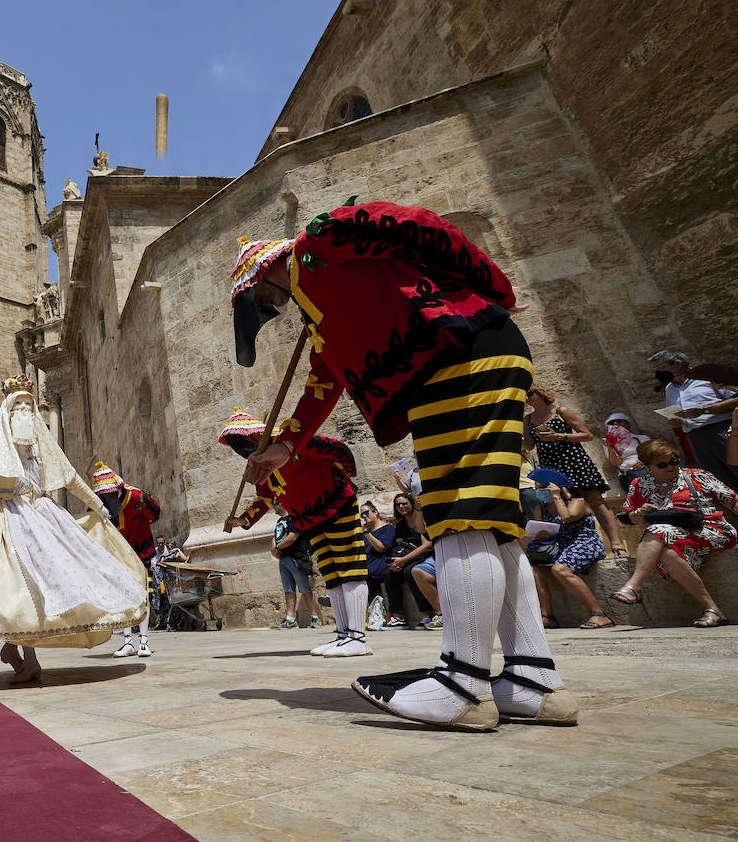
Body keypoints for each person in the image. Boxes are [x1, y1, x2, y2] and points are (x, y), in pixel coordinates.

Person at [230, 200, 576, 730]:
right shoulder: (319, 313)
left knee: (461, 516)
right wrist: (287, 445)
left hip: (457, 357)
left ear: (259, 280)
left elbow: (419, 227)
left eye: (262, 303)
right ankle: (532, 679)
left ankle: (461, 684)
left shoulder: (320, 242)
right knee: (495, 523)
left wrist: (492, 291)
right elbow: (326, 380)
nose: (271, 311)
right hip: (452, 368)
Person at [0, 376, 148, 682]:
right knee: (13, 587)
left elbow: (70, 477)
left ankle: (23, 656)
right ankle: (18, 652)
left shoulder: (42, 447)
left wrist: (97, 505)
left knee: (41, 586)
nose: (25, 412)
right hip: (5, 515)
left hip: (42, 514)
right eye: (18, 406)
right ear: (8, 411)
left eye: (28, 406)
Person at [220, 408, 370, 656]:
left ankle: (358, 636)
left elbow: (336, 449)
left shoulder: (289, 443)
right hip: (308, 518)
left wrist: (345, 475)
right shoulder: (258, 463)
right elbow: (266, 499)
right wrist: (242, 521)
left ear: (255, 436)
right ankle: (344, 633)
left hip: (335, 503)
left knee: (348, 565)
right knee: (331, 570)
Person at [610, 439, 737, 626]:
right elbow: (627, 520)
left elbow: (733, 500)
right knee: (668, 554)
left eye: (674, 461)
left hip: (710, 529)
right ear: (647, 466)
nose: (671, 466)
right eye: (662, 464)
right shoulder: (639, 484)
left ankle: (633, 585)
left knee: (658, 530)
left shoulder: (696, 475)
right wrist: (638, 514)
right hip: (672, 537)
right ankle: (712, 609)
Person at [523, 385, 626, 557]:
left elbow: (587, 435)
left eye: (530, 394)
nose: (526, 398)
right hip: (551, 465)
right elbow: (529, 445)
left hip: (573, 460)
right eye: (524, 395)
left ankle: (616, 544)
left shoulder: (560, 410)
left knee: (595, 500)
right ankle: (573, 546)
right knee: (560, 506)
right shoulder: (528, 419)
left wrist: (559, 436)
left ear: (541, 394)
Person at [524, 469, 613, 629]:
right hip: (561, 547)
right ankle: (547, 616)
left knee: (560, 569)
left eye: (543, 487)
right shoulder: (541, 508)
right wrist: (540, 535)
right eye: (537, 488)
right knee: (534, 571)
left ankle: (598, 614)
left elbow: (567, 517)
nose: (539, 491)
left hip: (585, 544)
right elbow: (538, 527)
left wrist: (557, 497)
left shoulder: (576, 502)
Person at [90, 462, 160, 657]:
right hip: (120, 556)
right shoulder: (100, 507)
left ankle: (144, 641)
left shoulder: (138, 497)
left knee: (143, 594)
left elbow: (156, 512)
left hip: (142, 552)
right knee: (124, 597)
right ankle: (128, 642)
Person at [650, 351, 738, 492]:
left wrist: (705, 410)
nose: (658, 372)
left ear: (677, 364)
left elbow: (735, 400)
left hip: (722, 430)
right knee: (720, 482)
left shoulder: (706, 379)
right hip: (696, 437)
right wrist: (677, 421)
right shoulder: (669, 389)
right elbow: (676, 412)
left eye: (661, 367)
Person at [383, 493, 436, 629]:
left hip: (422, 556)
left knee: (409, 572)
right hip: (406, 558)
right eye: (398, 505)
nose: (401, 507)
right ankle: (398, 617)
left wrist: (404, 560)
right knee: (389, 574)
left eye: (404, 503)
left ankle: (427, 614)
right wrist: (396, 562)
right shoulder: (401, 526)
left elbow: (427, 546)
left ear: (411, 503)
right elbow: (400, 547)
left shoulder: (420, 520)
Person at [269, 514, 322, 630]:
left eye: (276, 502)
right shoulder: (280, 520)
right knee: (288, 589)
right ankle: (290, 619)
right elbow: (275, 536)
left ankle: (315, 617)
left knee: (305, 589)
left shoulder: (294, 517)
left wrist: (277, 548)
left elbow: (293, 536)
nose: (273, 505)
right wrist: (274, 549)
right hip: (283, 558)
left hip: (296, 557)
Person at [359, 500, 395, 631]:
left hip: (380, 569)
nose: (364, 516)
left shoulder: (387, 528)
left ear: (375, 512)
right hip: (368, 570)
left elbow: (381, 548)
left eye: (366, 513)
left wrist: (366, 533)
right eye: (361, 515)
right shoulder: (366, 534)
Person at [602, 412, 650, 498]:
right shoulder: (608, 443)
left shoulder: (642, 438)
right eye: (611, 423)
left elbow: (655, 454)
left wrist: (644, 461)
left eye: (619, 421)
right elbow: (616, 463)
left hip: (646, 472)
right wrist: (610, 447)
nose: (615, 424)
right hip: (627, 475)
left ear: (627, 424)